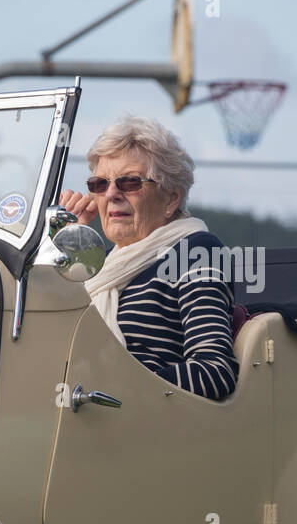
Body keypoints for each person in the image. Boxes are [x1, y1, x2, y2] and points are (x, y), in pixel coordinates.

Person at [59, 116, 238, 401]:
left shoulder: (195, 253)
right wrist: (66, 244)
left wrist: (121, 385)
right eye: (100, 184)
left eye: (130, 183)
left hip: (143, 426)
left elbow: (215, 372)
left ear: (171, 199)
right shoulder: (102, 267)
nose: (112, 194)